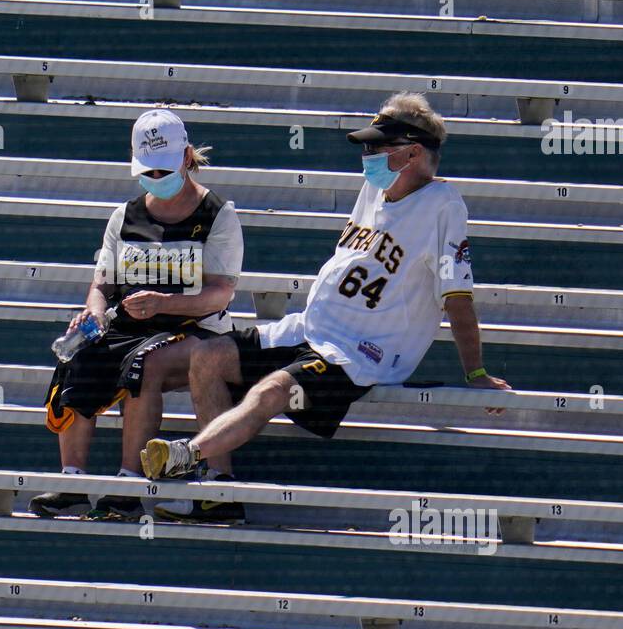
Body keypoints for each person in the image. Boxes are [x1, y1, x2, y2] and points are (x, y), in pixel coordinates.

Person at [142, 92, 511, 523]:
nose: (368, 155)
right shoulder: (376, 189)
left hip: (362, 352)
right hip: (312, 328)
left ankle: (188, 454)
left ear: (413, 152)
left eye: (378, 147)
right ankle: (217, 496)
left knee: (274, 389)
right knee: (209, 355)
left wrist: (477, 373)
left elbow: (458, 297)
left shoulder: (443, 205)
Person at [31, 108, 244, 520]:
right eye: (150, 171)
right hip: (131, 324)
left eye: (165, 170)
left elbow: (220, 294)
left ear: (186, 159)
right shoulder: (124, 216)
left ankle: (129, 481)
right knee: (77, 353)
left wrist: (165, 304)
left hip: (196, 329)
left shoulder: (218, 214)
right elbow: (102, 285)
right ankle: (72, 479)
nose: (157, 179)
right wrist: (91, 315)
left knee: (145, 363)